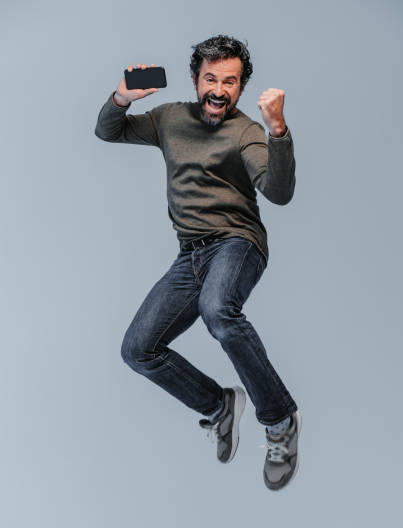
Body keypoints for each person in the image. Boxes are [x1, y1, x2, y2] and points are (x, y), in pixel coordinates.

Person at [94, 34, 302, 490]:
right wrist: (121, 97)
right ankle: (218, 405)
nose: (218, 90)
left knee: (218, 311)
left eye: (230, 82)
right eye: (211, 79)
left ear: (241, 88)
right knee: (137, 350)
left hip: (237, 243)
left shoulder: (246, 132)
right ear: (195, 80)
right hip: (189, 254)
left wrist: (279, 131)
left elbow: (279, 193)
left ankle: (280, 420)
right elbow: (108, 130)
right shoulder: (169, 118)